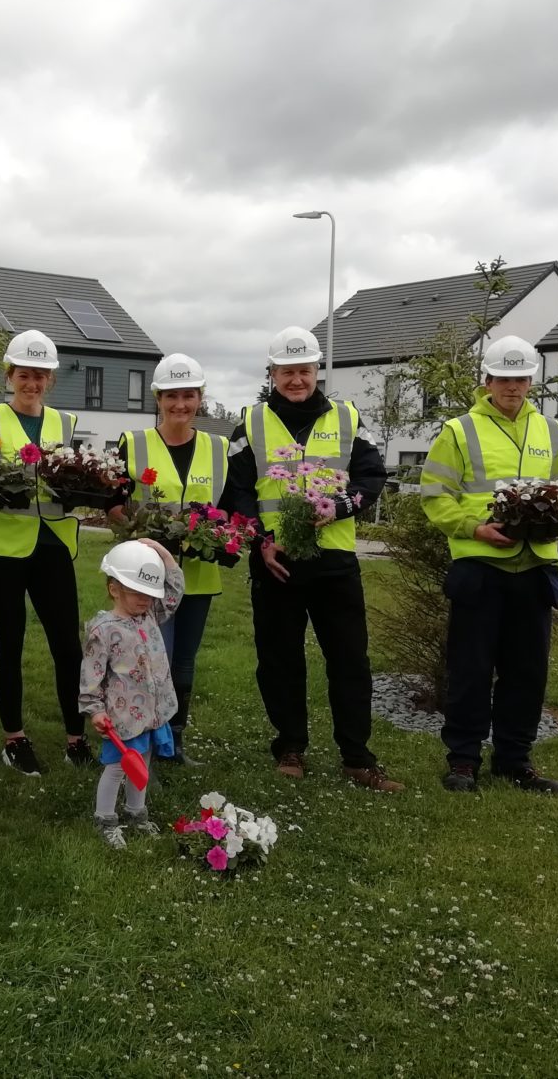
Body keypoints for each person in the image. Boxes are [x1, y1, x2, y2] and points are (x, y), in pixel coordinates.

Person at [223, 326, 400, 789]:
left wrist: (341, 505)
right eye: (287, 371)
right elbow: (236, 491)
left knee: (350, 661)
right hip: (275, 561)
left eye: (304, 370)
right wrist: (261, 538)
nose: (296, 379)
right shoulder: (251, 422)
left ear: (317, 370)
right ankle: (291, 747)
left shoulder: (347, 417)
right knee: (279, 659)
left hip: (334, 560)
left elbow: (372, 476)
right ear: (272, 373)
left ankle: (357, 758)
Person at [419, 335, 558, 795]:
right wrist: (474, 528)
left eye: (521, 378)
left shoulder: (554, 433)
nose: (513, 386)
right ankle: (464, 761)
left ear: (532, 380)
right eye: (505, 378)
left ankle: (515, 760)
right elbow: (435, 497)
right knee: (471, 669)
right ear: (487, 380)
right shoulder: (459, 431)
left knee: (527, 672)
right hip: (480, 569)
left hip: (535, 569)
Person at [0, 329, 92, 775]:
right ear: (9, 375)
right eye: (25, 374)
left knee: (67, 647)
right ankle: (14, 739)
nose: (32, 383)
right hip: (0, 547)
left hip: (53, 543)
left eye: (41, 376)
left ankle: (76, 740)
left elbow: (71, 478)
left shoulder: (65, 423)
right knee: (11, 642)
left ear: (51, 379)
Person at [113, 352, 229, 767]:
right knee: (149, 662)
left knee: (183, 664)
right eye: (171, 396)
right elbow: (114, 503)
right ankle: (144, 741)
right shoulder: (135, 443)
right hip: (146, 579)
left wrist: (219, 535)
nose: (180, 404)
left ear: (200, 398)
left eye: (189, 395)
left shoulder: (219, 447)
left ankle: (174, 744)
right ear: (157, 399)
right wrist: (135, 534)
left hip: (198, 576)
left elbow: (228, 510)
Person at [80, 540, 183, 849]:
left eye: (149, 593)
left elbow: (175, 590)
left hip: (151, 712)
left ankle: (136, 812)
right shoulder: (105, 629)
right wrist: (95, 709)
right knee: (116, 768)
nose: (146, 599)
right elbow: (91, 675)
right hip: (122, 716)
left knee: (143, 763)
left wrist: (159, 551)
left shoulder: (149, 615)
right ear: (114, 589)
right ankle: (105, 819)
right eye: (137, 592)